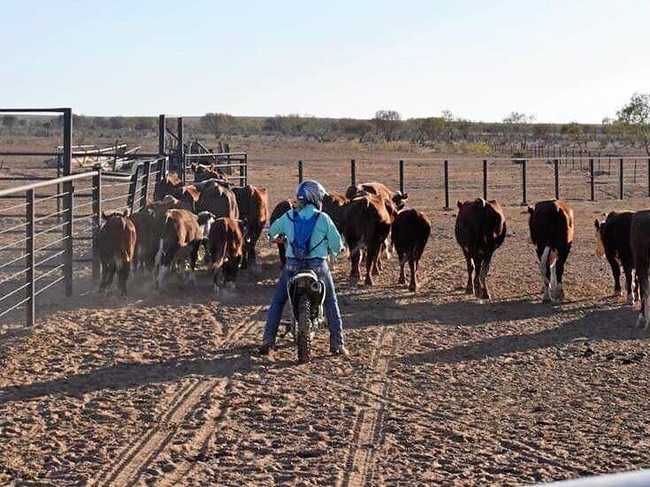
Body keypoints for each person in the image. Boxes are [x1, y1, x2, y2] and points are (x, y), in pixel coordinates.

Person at [260, 179, 349, 356]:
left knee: (278, 302)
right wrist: (337, 249)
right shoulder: (323, 218)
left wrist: (281, 239)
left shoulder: (289, 216)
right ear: (316, 198)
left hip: (292, 267)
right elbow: (337, 244)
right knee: (331, 302)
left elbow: (271, 233)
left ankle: (268, 340)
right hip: (317, 268)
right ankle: (337, 344)